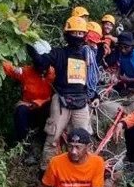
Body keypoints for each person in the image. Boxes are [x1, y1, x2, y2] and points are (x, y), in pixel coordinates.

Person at [28, 16, 95, 170]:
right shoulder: (59, 53)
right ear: (67, 34)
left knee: (83, 139)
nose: (77, 36)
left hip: (81, 102)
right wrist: (36, 57)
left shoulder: (87, 54)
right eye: (74, 32)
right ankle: (46, 171)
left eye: (80, 33)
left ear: (84, 35)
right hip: (61, 100)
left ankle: (83, 170)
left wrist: (95, 95)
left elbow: (92, 79)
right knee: (52, 137)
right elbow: (44, 62)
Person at [2, 56, 55, 155]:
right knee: (20, 110)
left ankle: (42, 141)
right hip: (28, 108)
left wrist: (38, 103)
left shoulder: (54, 73)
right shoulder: (26, 72)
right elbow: (10, 69)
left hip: (45, 109)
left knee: (51, 108)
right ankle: (23, 144)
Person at [97, 32, 134, 122]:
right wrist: (116, 75)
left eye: (126, 47)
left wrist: (128, 79)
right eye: (121, 47)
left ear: (132, 46)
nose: (123, 50)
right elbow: (121, 66)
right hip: (128, 83)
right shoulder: (123, 54)